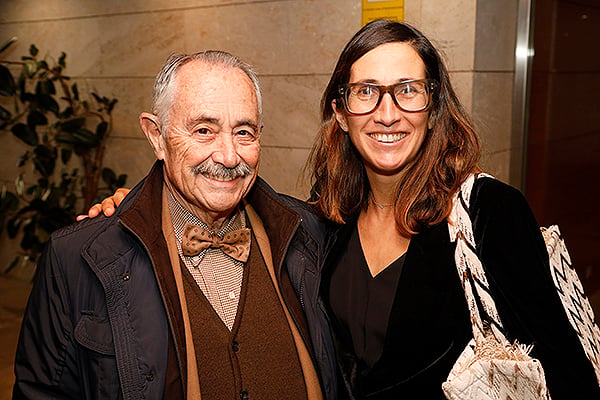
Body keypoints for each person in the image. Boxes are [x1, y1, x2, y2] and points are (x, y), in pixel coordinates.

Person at [80, 20, 600, 399]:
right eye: (367, 92)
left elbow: (569, 373)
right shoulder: (323, 221)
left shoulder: (489, 212)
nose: (387, 113)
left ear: (434, 104)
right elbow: (222, 191)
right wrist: (142, 207)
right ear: (340, 111)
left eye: (408, 91)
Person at [13, 50, 337, 400]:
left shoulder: (309, 233)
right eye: (203, 130)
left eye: (243, 132)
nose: (229, 156)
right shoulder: (78, 258)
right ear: (157, 137)